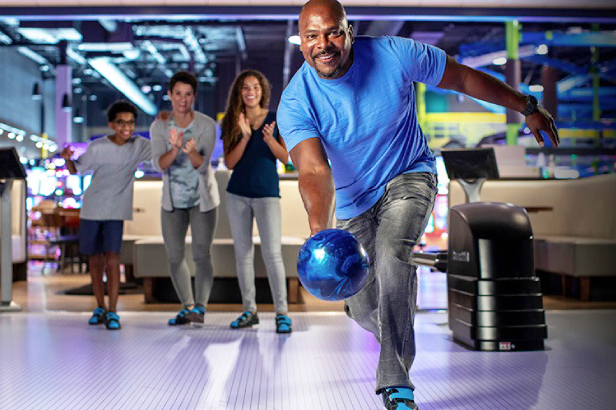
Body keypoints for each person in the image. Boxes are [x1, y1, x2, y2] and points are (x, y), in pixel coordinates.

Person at [276, 1, 559, 409]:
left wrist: (526, 106)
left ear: (349, 30)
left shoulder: (396, 54)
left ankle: (396, 385)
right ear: (301, 44)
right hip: (354, 201)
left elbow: (462, 78)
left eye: (333, 32)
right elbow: (314, 171)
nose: (324, 44)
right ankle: (396, 329)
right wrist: (322, 230)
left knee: (393, 256)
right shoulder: (295, 101)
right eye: (311, 37)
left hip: (409, 174)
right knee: (358, 303)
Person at [62, 100, 152, 330]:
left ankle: (113, 311)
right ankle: (99, 307)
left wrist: (164, 126)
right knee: (95, 260)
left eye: (131, 123)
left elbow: (162, 152)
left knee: (113, 259)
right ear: (112, 124)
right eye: (121, 123)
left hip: (116, 210)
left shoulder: (139, 145)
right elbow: (76, 169)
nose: (127, 128)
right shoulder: (98, 147)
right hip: (92, 208)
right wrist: (66, 159)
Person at [221, 70, 293, 334]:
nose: (250, 91)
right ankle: (249, 310)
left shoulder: (276, 119)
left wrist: (269, 140)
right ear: (240, 92)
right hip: (237, 194)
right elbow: (229, 163)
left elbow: (286, 158)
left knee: (272, 254)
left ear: (262, 91)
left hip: (267, 194)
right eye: (245, 88)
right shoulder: (232, 120)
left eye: (255, 87)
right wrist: (245, 137)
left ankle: (282, 313)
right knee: (243, 255)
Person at [150, 71, 219, 326]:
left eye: (188, 94)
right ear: (170, 95)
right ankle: (187, 306)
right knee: (175, 256)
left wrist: (191, 153)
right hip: (172, 203)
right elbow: (159, 165)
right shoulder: (160, 125)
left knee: (202, 254)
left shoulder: (206, 125)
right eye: (178, 94)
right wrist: (176, 148)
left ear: (194, 97)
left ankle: (200, 307)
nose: (182, 99)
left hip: (202, 201)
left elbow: (204, 165)